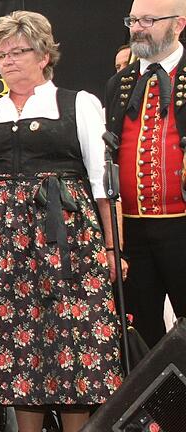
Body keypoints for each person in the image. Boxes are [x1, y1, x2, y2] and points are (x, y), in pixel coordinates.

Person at [0, 11, 124, 432]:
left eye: (18, 52)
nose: (8, 61)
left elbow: (103, 187)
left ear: (44, 55)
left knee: (72, 345)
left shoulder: (78, 103)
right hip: (3, 247)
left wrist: (113, 249)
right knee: (18, 352)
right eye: (1, 55)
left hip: (67, 241)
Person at [104, 0, 186, 349]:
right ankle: (156, 406)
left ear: (179, 24)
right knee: (144, 335)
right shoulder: (119, 84)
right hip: (133, 232)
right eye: (133, 19)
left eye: (148, 20)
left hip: (182, 227)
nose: (137, 27)